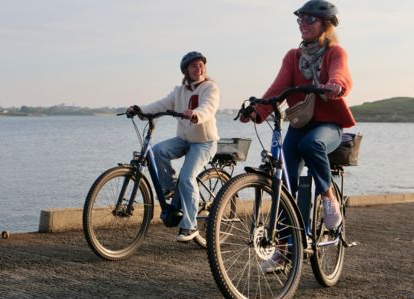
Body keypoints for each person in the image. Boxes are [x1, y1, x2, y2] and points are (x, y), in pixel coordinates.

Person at [242, 0, 355, 270]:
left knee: (311, 144)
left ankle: (328, 198)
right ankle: (284, 250)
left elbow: (342, 73)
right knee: (284, 186)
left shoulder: (335, 51)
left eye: (310, 20)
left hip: (328, 126)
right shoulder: (293, 56)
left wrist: (336, 85)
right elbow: (277, 89)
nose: (303, 25)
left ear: (325, 25)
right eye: (300, 20)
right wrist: (256, 110)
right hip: (299, 123)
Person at [128, 51, 220, 242]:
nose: (198, 68)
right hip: (184, 139)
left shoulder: (210, 88)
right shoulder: (179, 91)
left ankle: (190, 224)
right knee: (157, 151)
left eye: (201, 65)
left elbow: (208, 107)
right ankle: (170, 187)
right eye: (194, 66)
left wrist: (195, 115)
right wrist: (140, 110)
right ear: (186, 70)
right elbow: (161, 105)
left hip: (204, 141)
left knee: (187, 178)